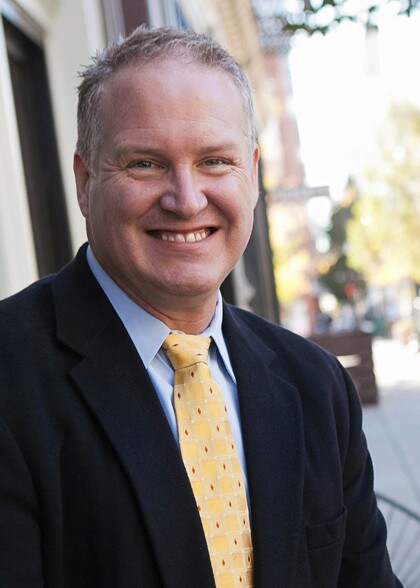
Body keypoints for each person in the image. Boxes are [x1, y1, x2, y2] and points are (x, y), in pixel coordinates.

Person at [0, 25, 401, 588]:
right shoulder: (10, 378)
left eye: (214, 161)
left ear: (252, 174)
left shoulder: (317, 386)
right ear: (85, 183)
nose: (187, 200)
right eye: (145, 164)